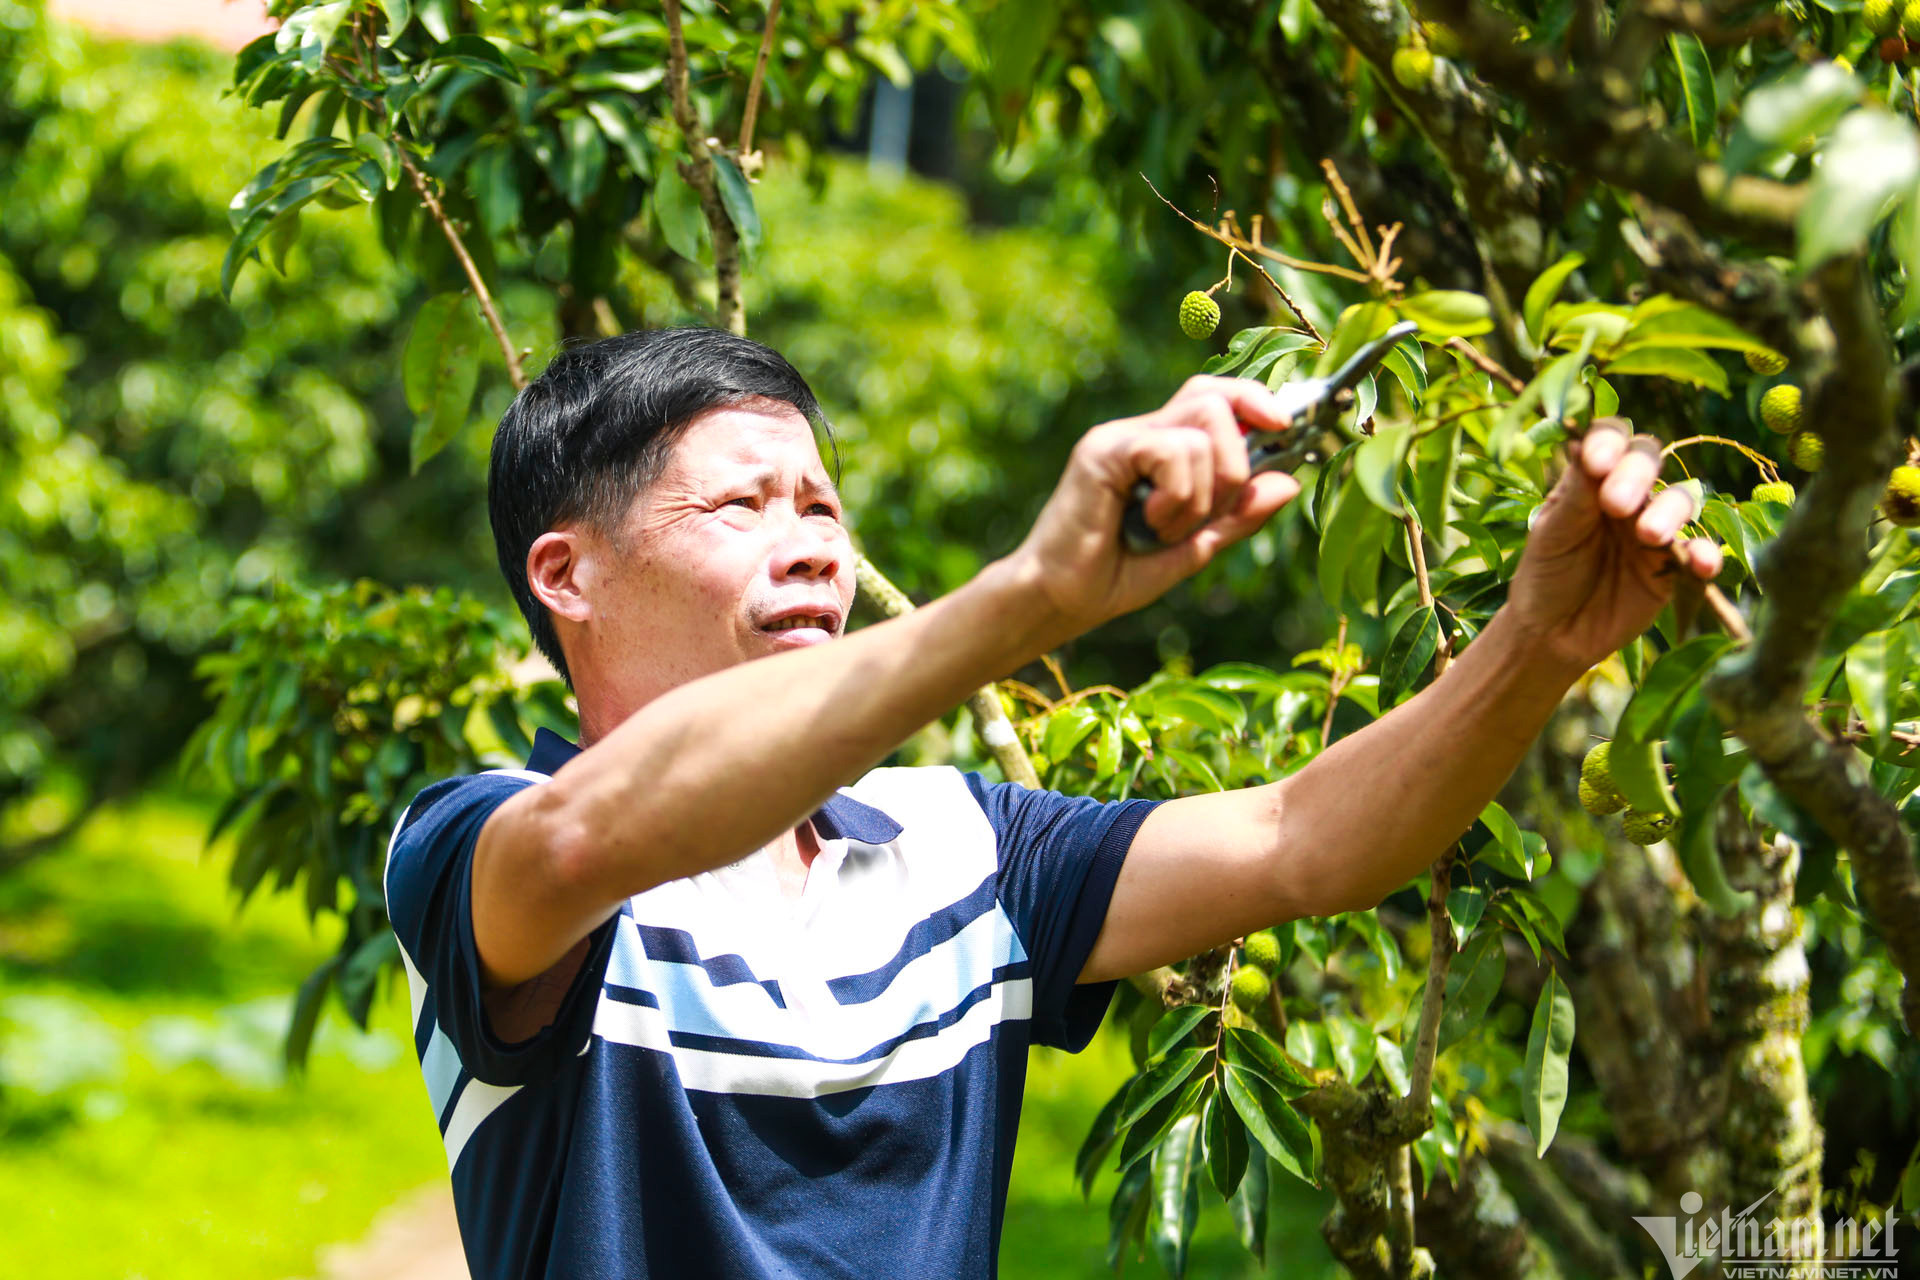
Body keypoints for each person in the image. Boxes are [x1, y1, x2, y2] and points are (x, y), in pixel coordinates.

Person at [384, 326, 1719, 1279]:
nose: (814, 542)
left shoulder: (959, 846)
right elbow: (610, 828)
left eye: (824, 505)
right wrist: (1034, 599)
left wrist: (1543, 640)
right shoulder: (479, 842)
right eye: (742, 502)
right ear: (567, 575)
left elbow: (1303, 839)